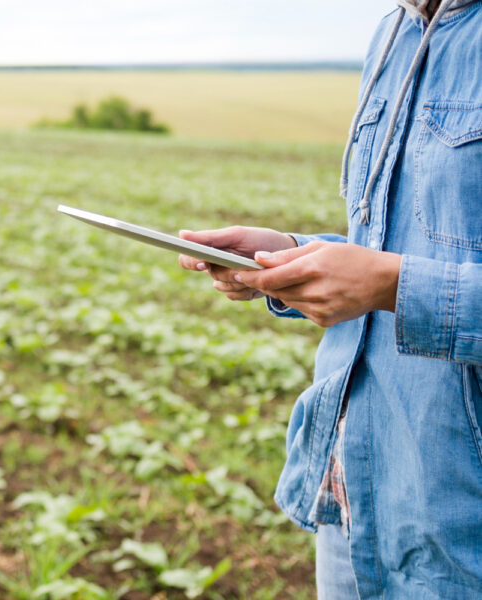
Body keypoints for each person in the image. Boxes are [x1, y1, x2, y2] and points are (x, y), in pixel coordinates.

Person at [177, 0, 482, 598]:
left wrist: (392, 284)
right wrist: (291, 253)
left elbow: (395, 272)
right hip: (358, 486)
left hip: (459, 510)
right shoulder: (393, 34)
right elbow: (398, 245)